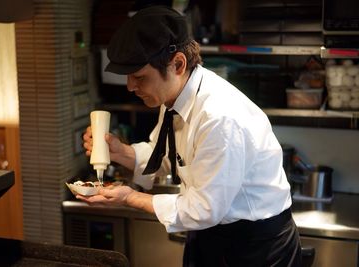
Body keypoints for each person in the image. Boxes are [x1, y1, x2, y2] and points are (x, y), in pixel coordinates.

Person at [79, 5, 302, 267]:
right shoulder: (173, 97)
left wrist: (129, 197)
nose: (130, 86)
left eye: (139, 76)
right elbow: (166, 157)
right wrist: (119, 152)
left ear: (178, 64)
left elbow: (205, 209)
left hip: (255, 248)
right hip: (210, 237)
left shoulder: (219, 118)